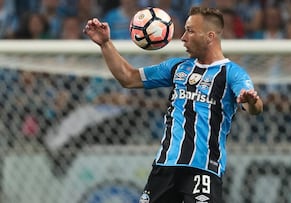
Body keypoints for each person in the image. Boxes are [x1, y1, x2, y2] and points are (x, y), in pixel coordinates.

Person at [83, 6, 263, 203]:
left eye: (190, 31)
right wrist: (105, 44)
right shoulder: (177, 67)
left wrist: (250, 101)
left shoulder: (232, 73)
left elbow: (254, 108)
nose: (183, 37)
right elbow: (129, 78)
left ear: (210, 36)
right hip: (165, 166)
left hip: (202, 169)